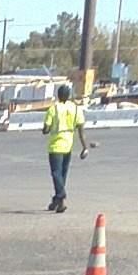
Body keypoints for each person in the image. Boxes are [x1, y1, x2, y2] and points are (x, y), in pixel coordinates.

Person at [42, 82, 86, 214]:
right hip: (68, 145)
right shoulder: (76, 109)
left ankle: (61, 196)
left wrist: (45, 129)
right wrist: (85, 147)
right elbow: (81, 130)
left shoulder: (53, 109)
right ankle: (57, 200)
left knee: (56, 173)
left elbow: (46, 129)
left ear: (58, 95)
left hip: (55, 146)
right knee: (62, 175)